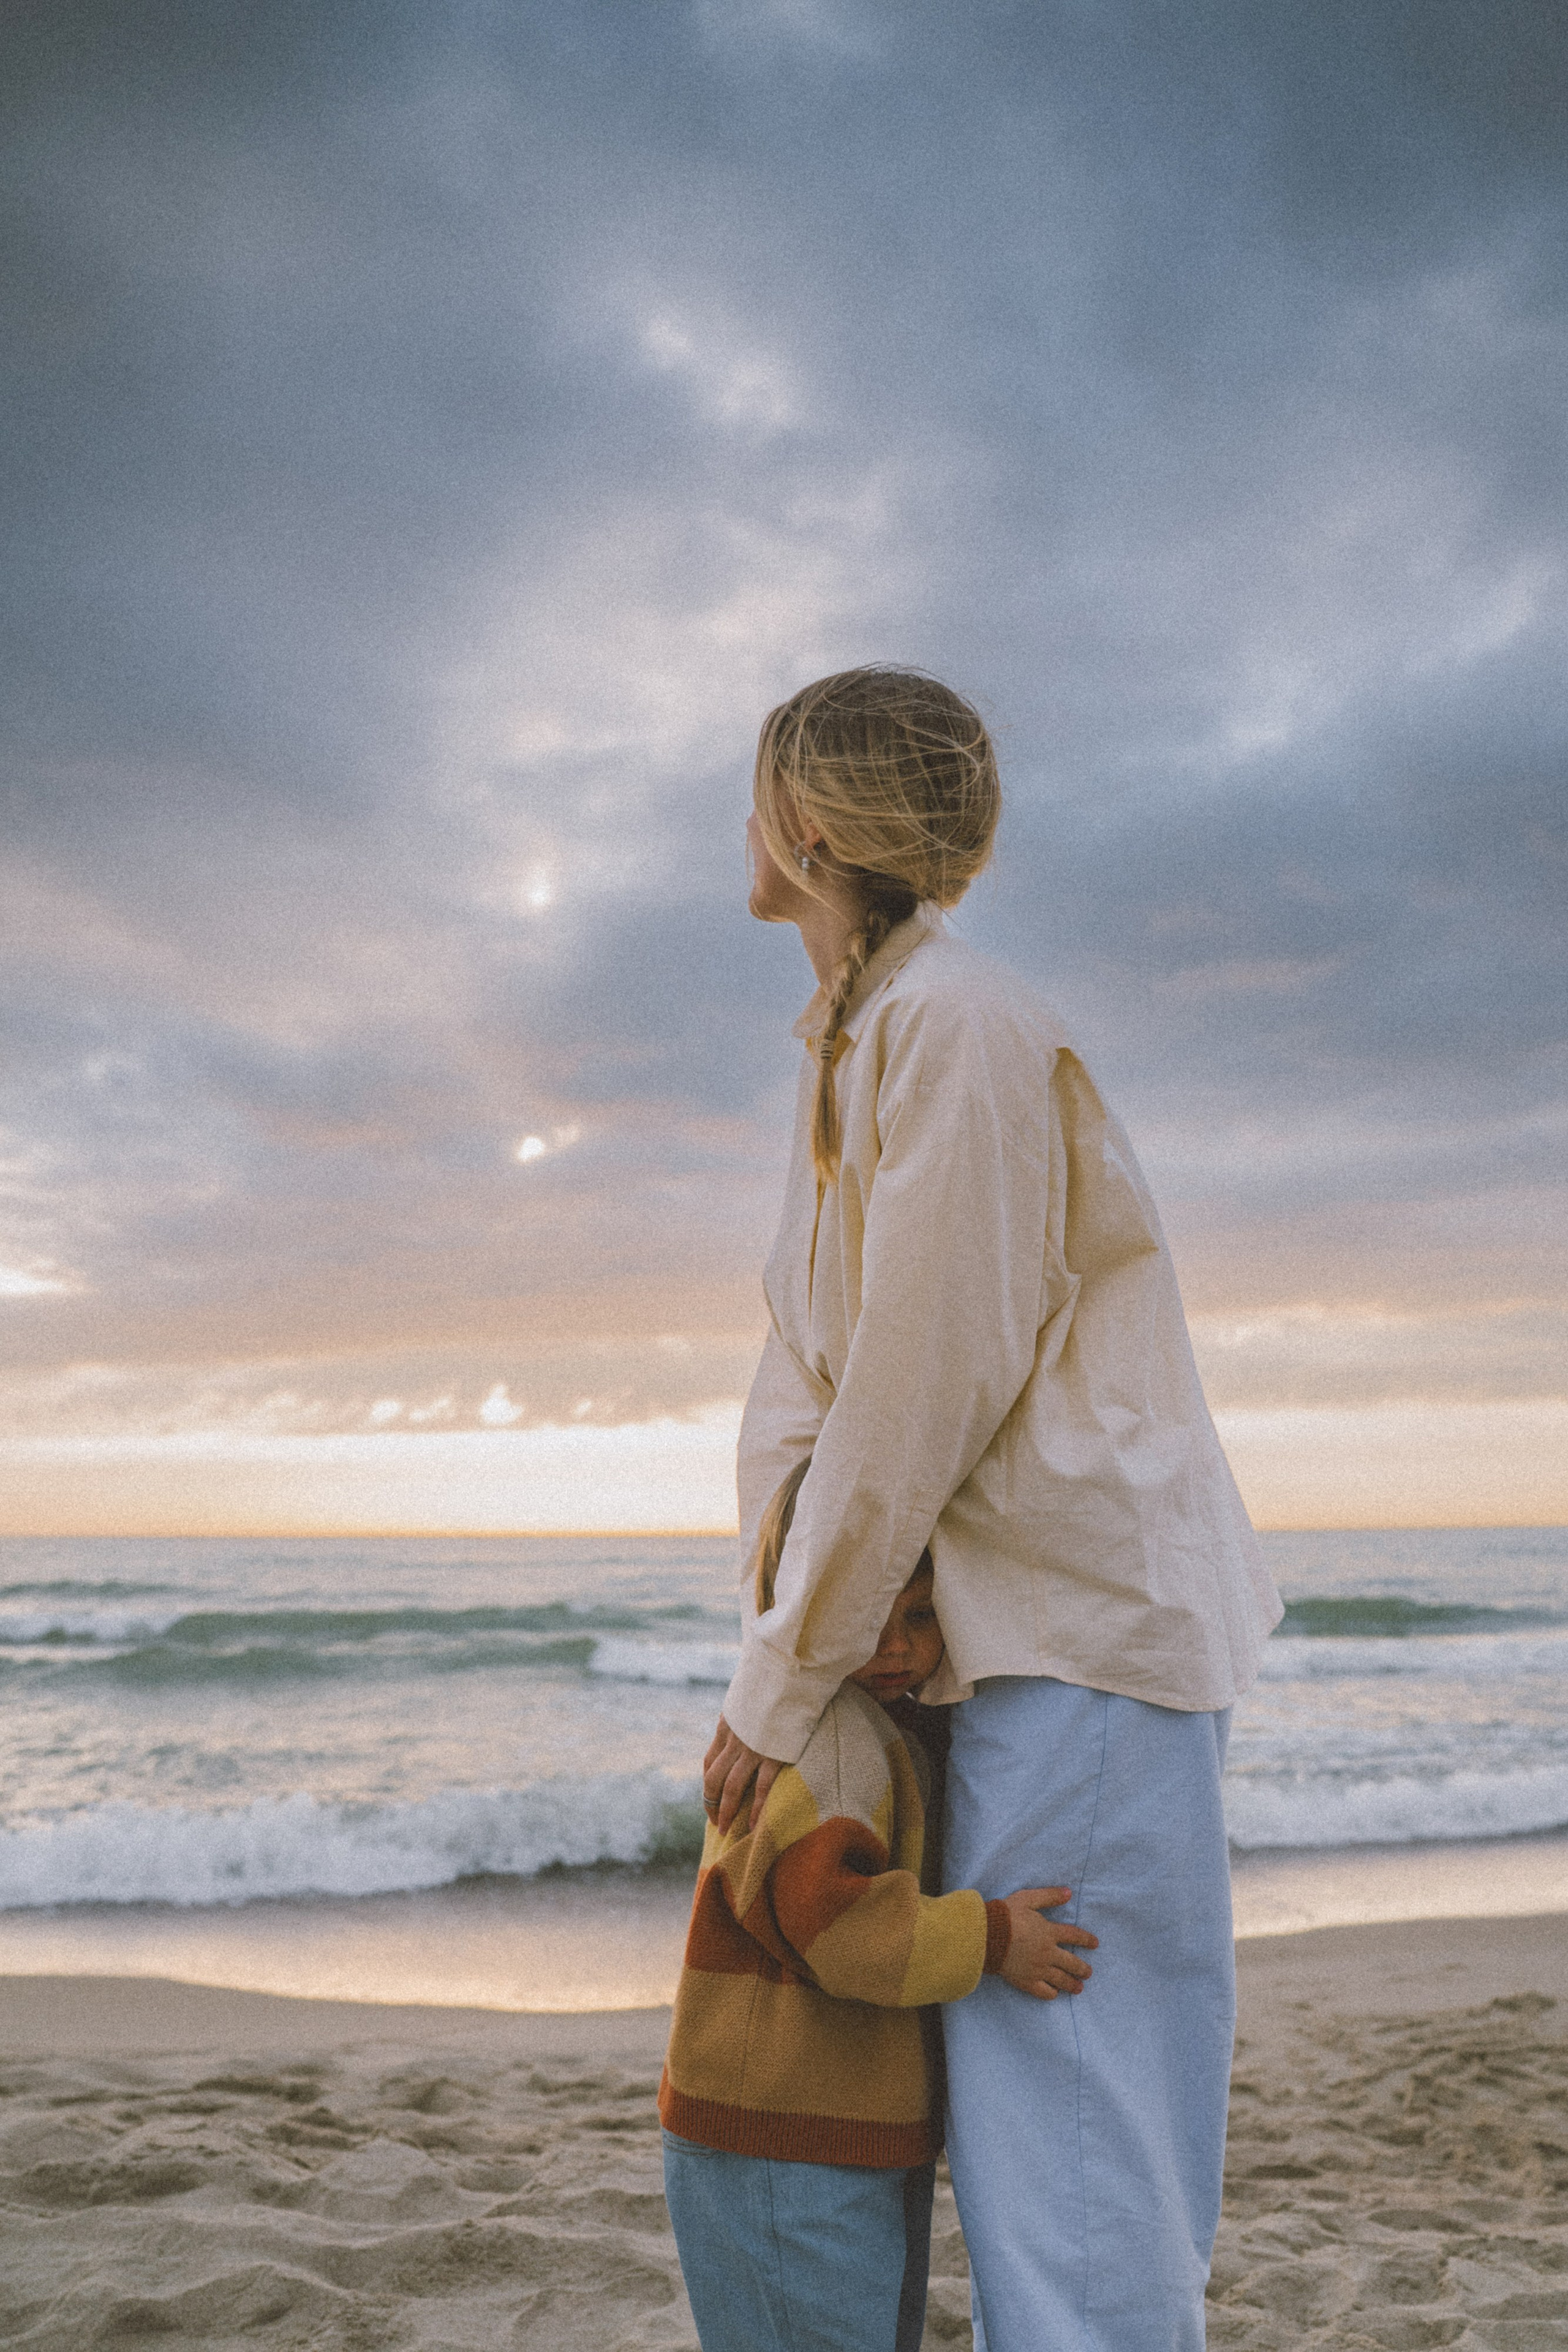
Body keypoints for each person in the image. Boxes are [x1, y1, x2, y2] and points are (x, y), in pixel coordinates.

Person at [703, 667, 1283, 2352]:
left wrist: (774, 1683)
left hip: (1082, 1646)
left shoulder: (953, 1028)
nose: (740, 828)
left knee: (1080, 2184)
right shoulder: (861, 1038)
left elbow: (919, 1381)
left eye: (757, 795)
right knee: (1047, 2162)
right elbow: (810, 1378)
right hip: (1017, 1640)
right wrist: (805, 1603)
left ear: (809, 828)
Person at [662, 1457, 1098, 2352]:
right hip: (777, 2140)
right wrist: (992, 1935)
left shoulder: (881, 1727)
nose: (893, 1648)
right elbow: (838, 1924)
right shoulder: (826, 1741)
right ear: (803, 1609)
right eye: (865, 1618)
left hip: (833, 2132)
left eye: (923, 1616)